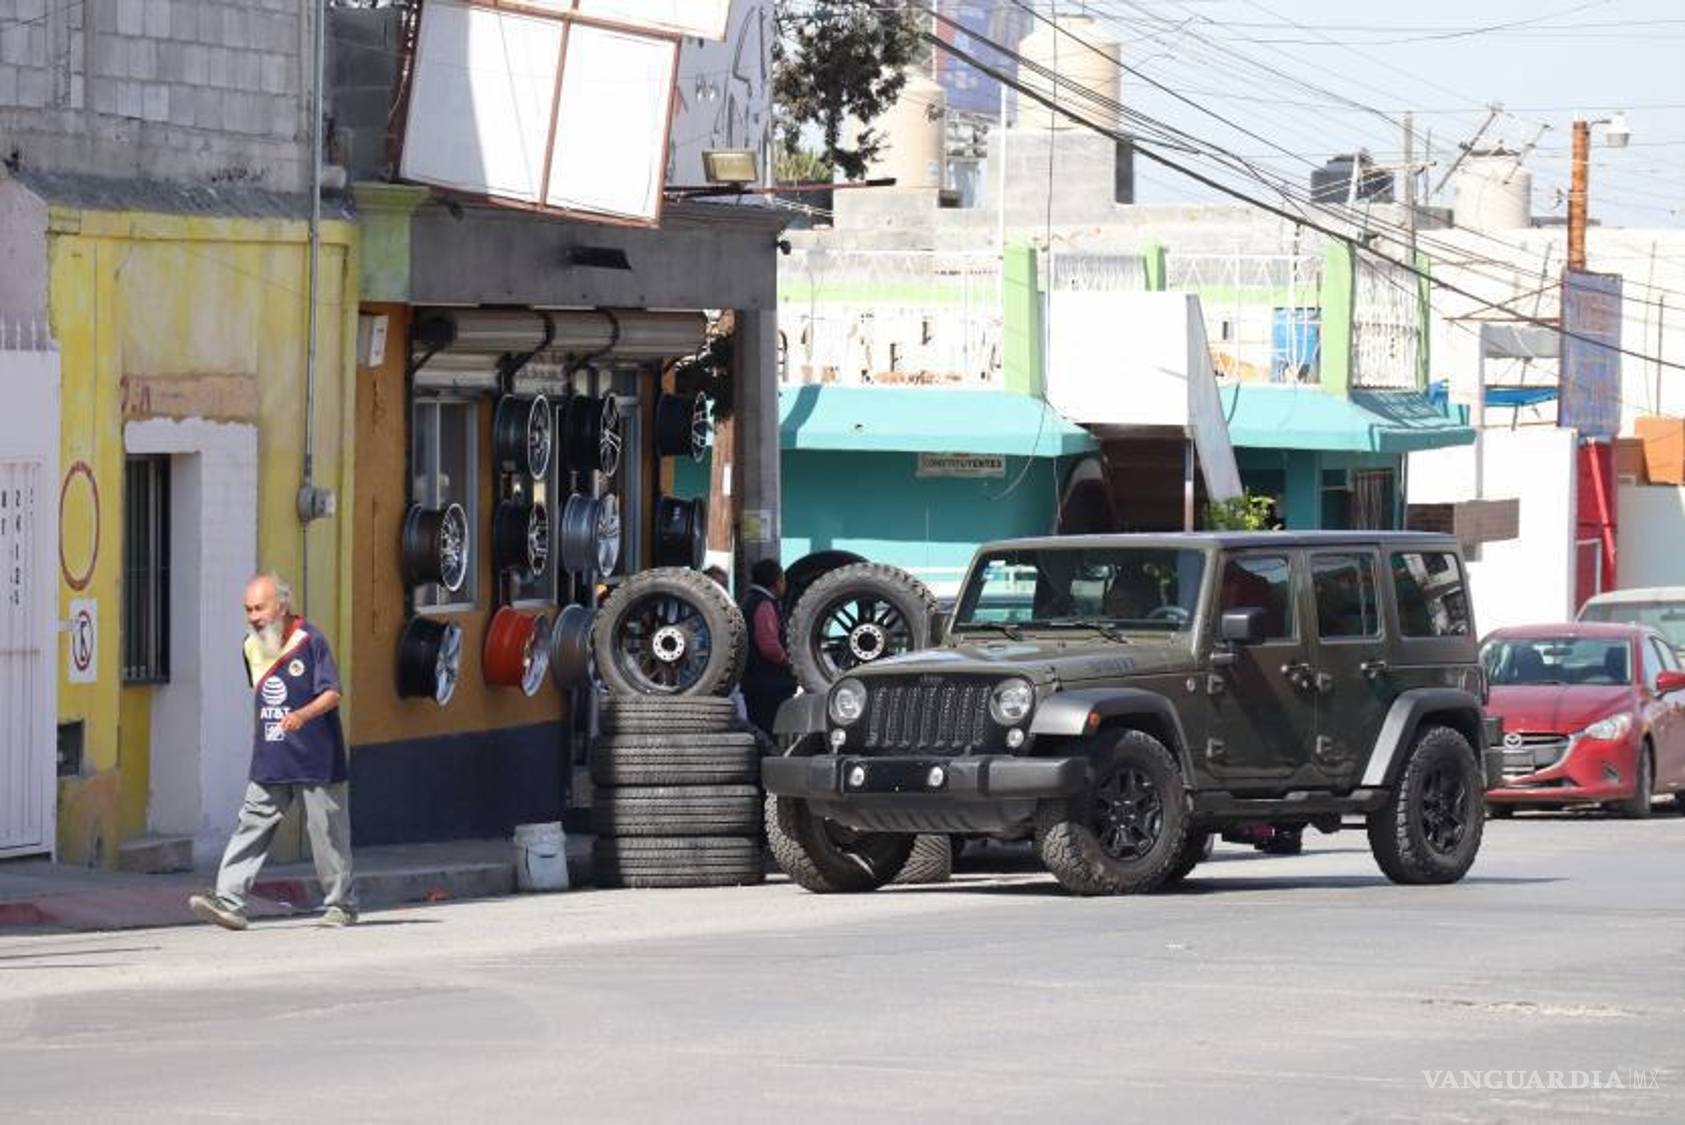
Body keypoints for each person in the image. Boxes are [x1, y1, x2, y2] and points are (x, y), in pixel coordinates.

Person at [188, 573, 358, 930]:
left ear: (281, 605)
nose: (253, 616)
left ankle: (342, 904)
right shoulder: (251, 646)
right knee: (251, 823)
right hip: (272, 757)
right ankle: (229, 900)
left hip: (317, 759)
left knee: (326, 832)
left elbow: (332, 692)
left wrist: (302, 715)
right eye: (247, 609)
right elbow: (261, 695)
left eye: (259, 608)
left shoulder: (310, 641)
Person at [740, 558, 798, 738]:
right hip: (768, 685)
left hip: (755, 682)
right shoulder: (764, 604)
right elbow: (769, 646)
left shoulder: (748, 601)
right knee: (769, 732)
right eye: (783, 580)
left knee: (760, 730)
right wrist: (790, 663)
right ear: (777, 581)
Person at [704, 565, 750, 723]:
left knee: (741, 724)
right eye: (715, 585)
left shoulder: (731, 613)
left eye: (723, 586)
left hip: (730, 682)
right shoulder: (693, 612)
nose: (719, 591)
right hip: (703, 687)